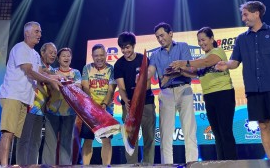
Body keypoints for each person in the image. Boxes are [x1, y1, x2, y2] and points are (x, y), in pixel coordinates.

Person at [216, 1, 270, 159]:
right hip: (253, 89)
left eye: (245, 14)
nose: (243, 18)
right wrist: (226, 65)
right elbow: (235, 62)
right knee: (263, 125)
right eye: (242, 15)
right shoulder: (241, 39)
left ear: (256, 13)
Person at [0, 22, 61, 165]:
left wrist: (55, 77)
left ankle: (0, 165)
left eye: (40, 32)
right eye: (37, 31)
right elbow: (30, 72)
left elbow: (39, 71)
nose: (40, 35)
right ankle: (4, 165)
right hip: (13, 95)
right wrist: (51, 81)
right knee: (8, 133)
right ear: (27, 33)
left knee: (11, 134)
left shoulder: (35, 54)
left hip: (25, 99)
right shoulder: (20, 48)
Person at [170, 27, 238, 160]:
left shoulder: (217, 52)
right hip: (209, 96)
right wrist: (179, 71)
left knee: (225, 131)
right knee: (217, 132)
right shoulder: (202, 57)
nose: (201, 43)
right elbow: (195, 73)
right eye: (199, 41)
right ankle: (221, 162)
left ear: (212, 39)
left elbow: (206, 62)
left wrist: (185, 62)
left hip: (223, 93)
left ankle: (231, 162)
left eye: (203, 39)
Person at [148, 22, 198, 164]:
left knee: (189, 130)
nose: (160, 39)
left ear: (171, 33)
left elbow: (192, 71)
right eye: (157, 37)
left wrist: (178, 70)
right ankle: (167, 165)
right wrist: (143, 76)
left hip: (184, 89)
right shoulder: (155, 54)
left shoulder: (183, 46)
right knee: (165, 134)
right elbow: (151, 71)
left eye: (162, 35)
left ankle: (192, 164)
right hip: (166, 93)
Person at [114, 32, 156, 164]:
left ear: (133, 45)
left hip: (146, 103)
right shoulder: (119, 64)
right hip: (129, 106)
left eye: (127, 47)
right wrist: (126, 101)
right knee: (130, 139)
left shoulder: (143, 60)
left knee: (149, 137)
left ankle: (148, 164)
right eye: (122, 48)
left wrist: (139, 96)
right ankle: (132, 165)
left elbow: (148, 84)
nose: (125, 50)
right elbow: (121, 87)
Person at [16, 42, 57, 165]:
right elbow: (43, 74)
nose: (53, 55)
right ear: (42, 53)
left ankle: (33, 165)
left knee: (35, 141)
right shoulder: (37, 64)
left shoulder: (52, 70)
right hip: (30, 105)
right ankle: (22, 165)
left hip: (41, 109)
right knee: (24, 139)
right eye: (51, 52)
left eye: (55, 53)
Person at [42, 47, 82, 165]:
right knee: (50, 142)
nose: (66, 58)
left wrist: (64, 84)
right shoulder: (52, 72)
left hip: (69, 112)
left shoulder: (76, 73)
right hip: (52, 111)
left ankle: (65, 166)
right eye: (63, 55)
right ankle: (47, 166)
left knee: (66, 143)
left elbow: (78, 88)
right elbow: (48, 87)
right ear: (58, 59)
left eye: (68, 55)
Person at [80, 44, 116, 165]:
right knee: (88, 139)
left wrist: (104, 104)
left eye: (101, 55)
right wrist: (92, 105)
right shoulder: (87, 68)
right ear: (92, 56)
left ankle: (106, 166)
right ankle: (85, 166)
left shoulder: (111, 69)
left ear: (106, 55)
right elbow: (85, 86)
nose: (99, 58)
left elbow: (111, 89)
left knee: (106, 140)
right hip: (89, 110)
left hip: (106, 110)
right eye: (96, 56)